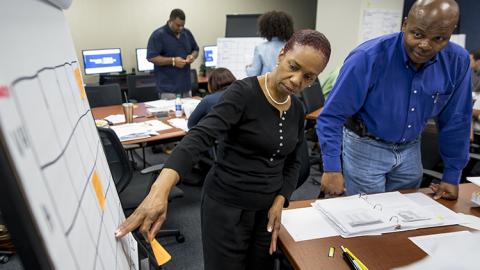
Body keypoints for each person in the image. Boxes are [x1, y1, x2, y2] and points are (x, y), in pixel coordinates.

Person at [116, 29, 331, 270]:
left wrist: (281, 199)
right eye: (294, 66)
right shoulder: (243, 93)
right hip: (227, 211)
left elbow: (294, 163)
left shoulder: (297, 109)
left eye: (308, 77)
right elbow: (199, 136)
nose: (296, 80)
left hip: (266, 215)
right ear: (282, 54)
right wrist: (160, 189)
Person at [317, 0, 471, 200]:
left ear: (451, 33)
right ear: (405, 24)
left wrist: (452, 175)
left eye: (438, 38)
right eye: (417, 34)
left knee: (403, 215)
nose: (424, 45)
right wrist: (332, 168)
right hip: (366, 145)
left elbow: (456, 120)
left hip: (411, 148)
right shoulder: (367, 57)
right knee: (368, 217)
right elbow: (331, 115)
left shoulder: (456, 61)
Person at [147, 8, 199, 99]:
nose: (181, 28)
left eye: (183, 25)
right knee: (172, 113)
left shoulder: (187, 33)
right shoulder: (158, 35)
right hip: (168, 90)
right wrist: (173, 61)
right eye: (178, 25)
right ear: (170, 21)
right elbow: (151, 57)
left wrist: (192, 57)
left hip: (186, 88)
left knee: (188, 113)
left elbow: (196, 50)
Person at [245, 11, 294, 76]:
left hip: (266, 84)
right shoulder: (291, 47)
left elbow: (254, 73)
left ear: (265, 27)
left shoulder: (260, 48)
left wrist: (247, 68)